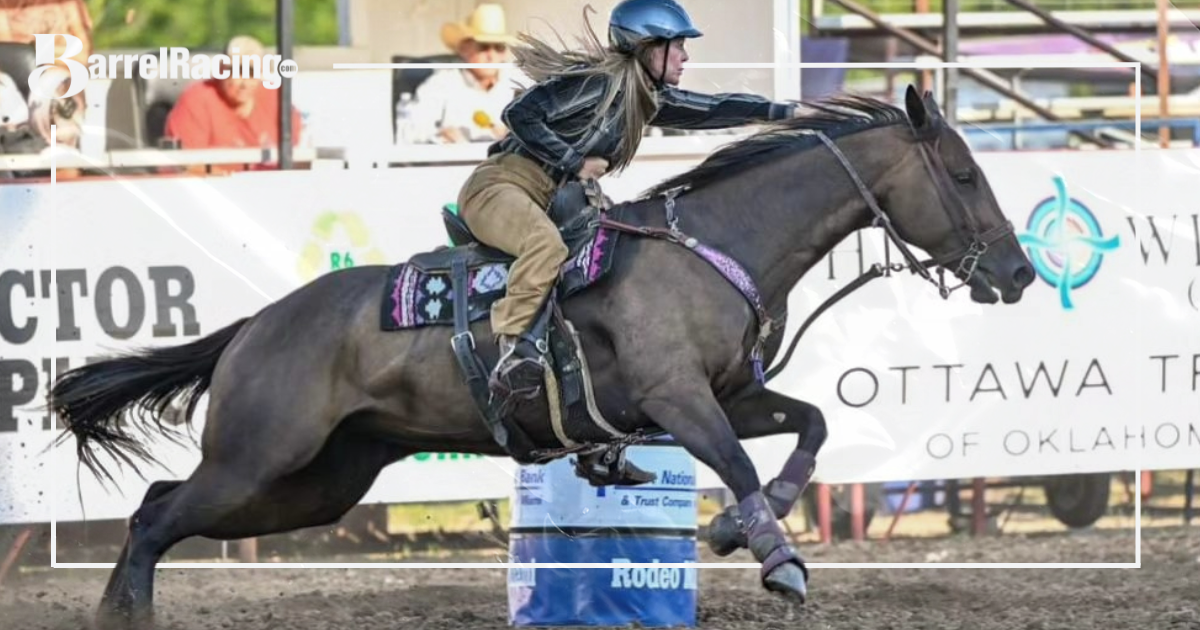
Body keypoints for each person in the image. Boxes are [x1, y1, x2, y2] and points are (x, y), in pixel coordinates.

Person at [456, 0, 803, 403]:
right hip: (502, 187)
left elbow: (713, 108)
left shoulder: (641, 97)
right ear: (649, 48)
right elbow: (520, 114)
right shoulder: (598, 84)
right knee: (544, 246)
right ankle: (515, 351)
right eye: (678, 46)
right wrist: (573, 161)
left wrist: (785, 111)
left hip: (555, 200)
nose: (686, 56)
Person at [162, 35, 301, 174]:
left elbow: (296, 156)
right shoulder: (196, 101)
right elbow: (187, 166)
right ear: (221, 70)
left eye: (252, 74)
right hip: (216, 189)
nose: (245, 84)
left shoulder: (276, 98)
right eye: (238, 73)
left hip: (270, 185)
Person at [407, 3, 527, 144]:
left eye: (499, 47)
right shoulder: (440, 85)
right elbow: (410, 133)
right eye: (483, 47)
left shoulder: (519, 85)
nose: (491, 55)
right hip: (453, 164)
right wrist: (440, 137)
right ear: (464, 49)